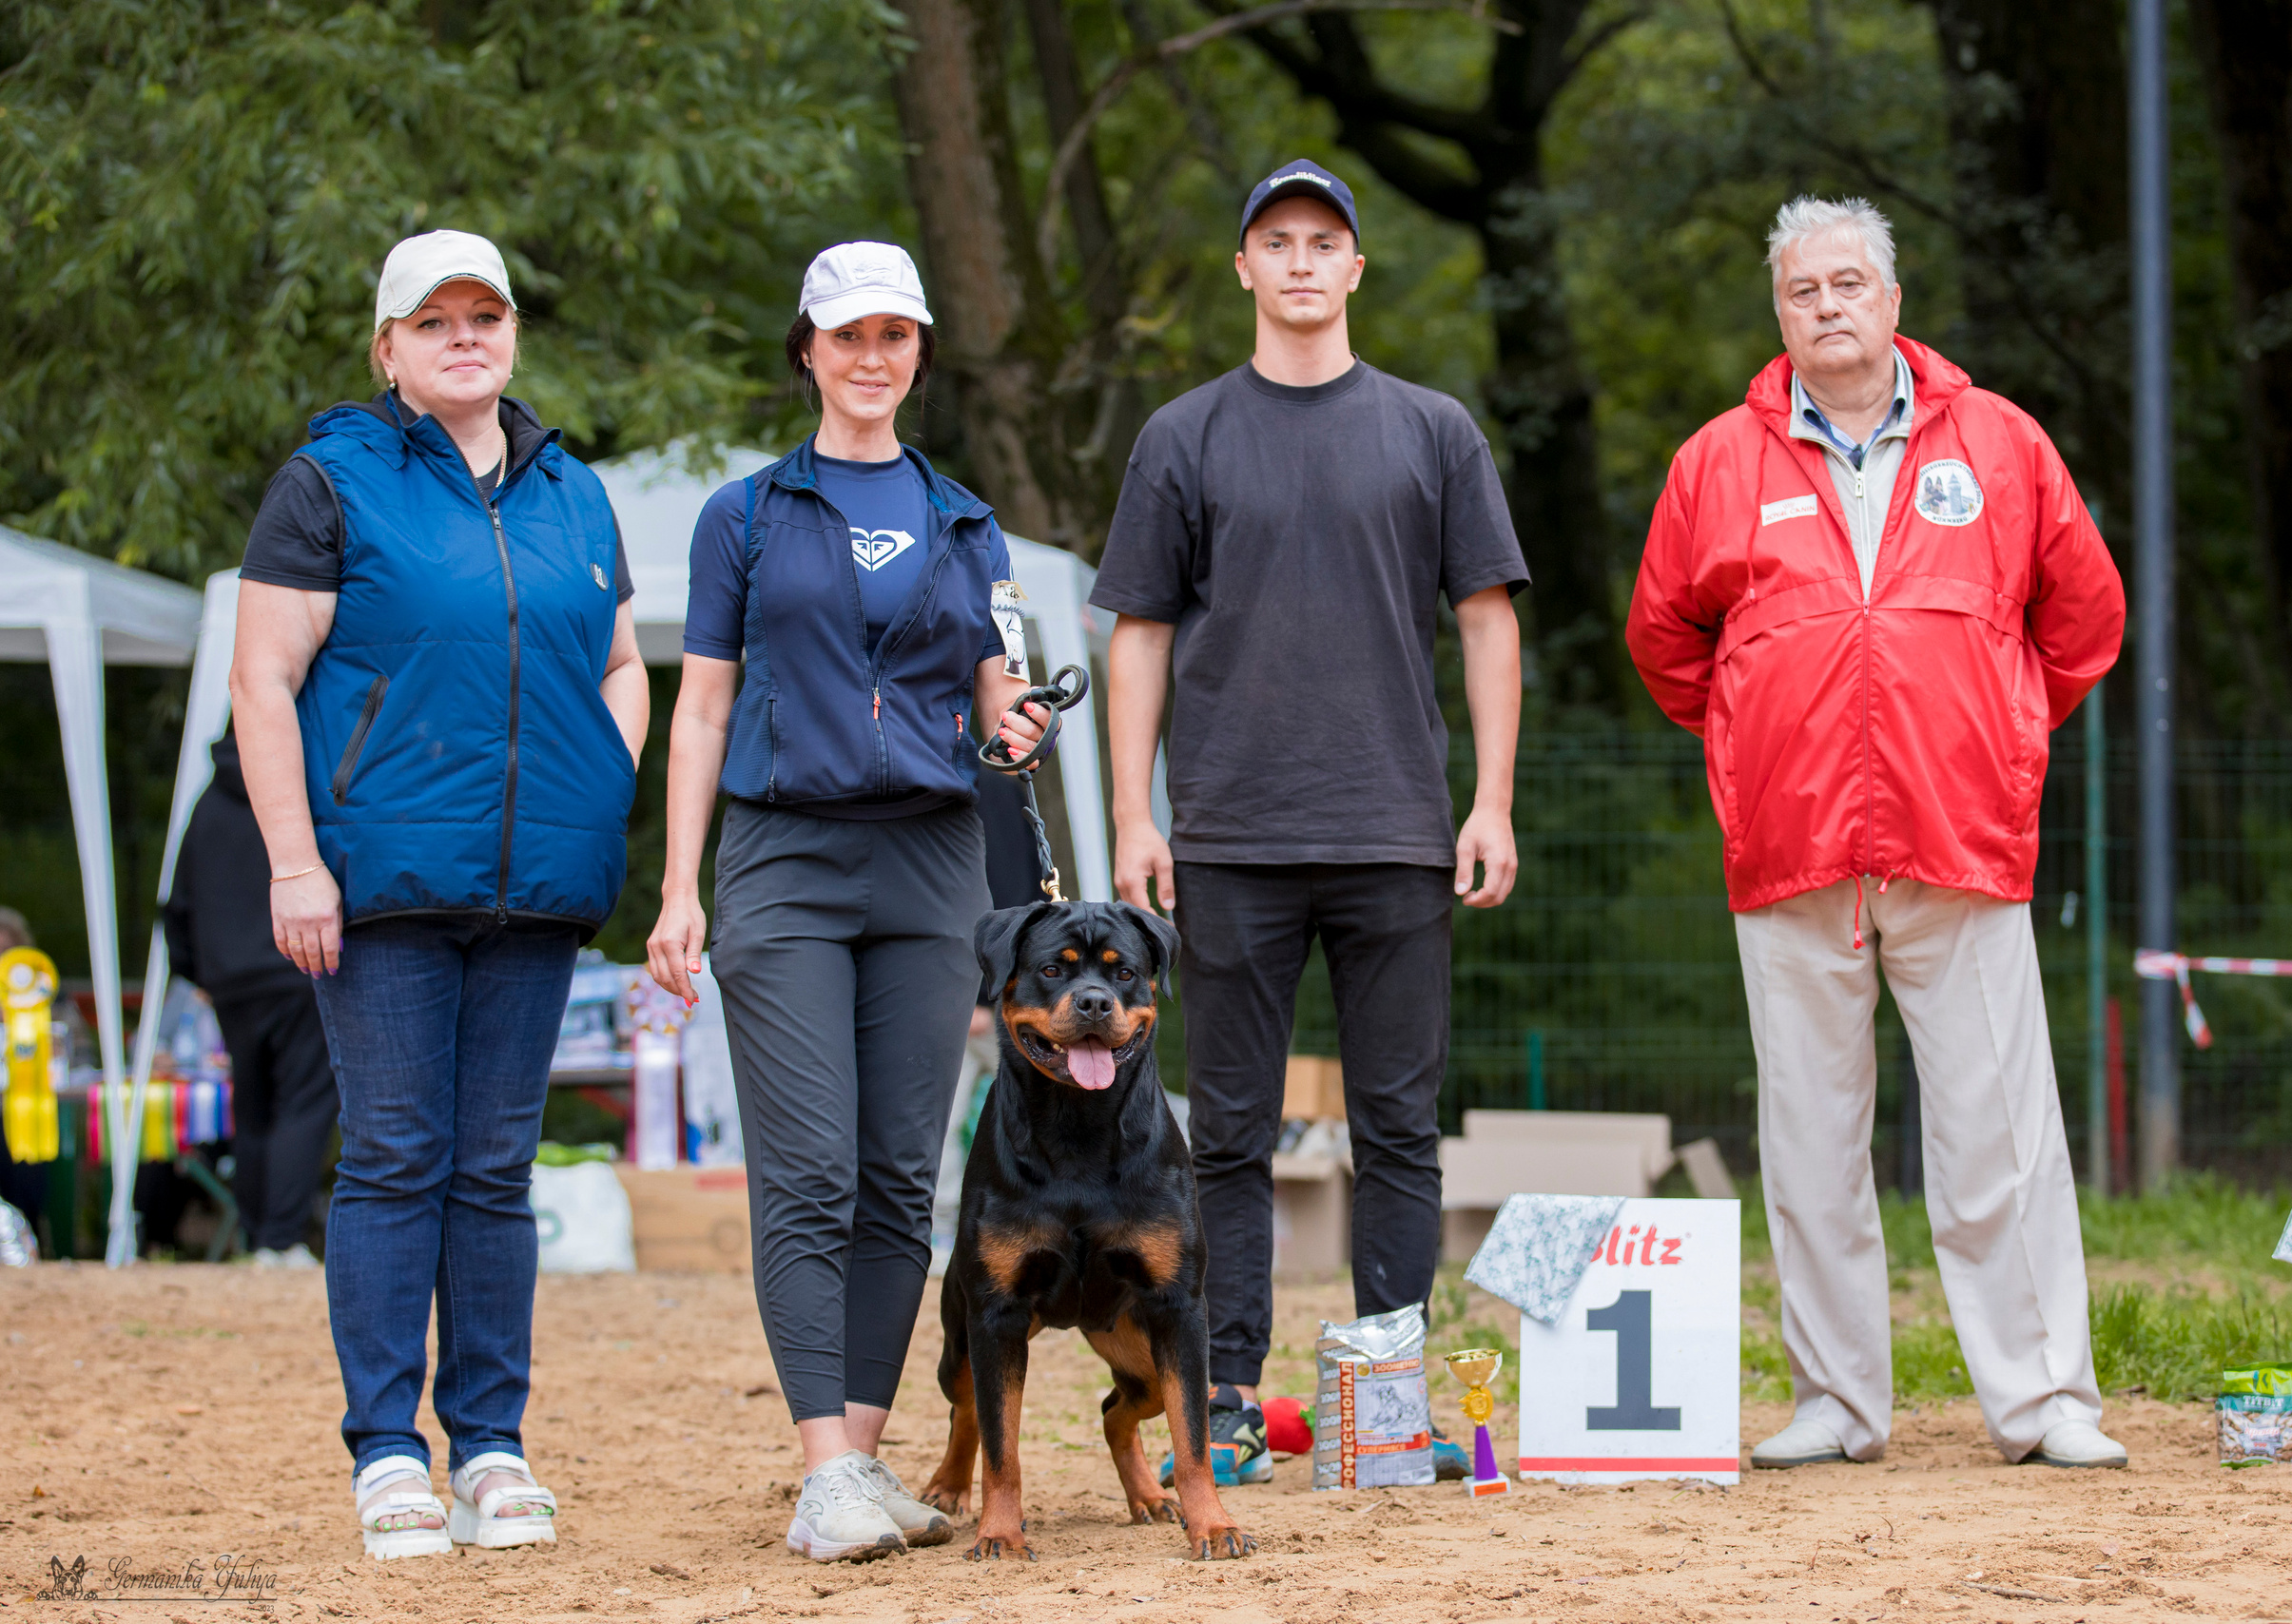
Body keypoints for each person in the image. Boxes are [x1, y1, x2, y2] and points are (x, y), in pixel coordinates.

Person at [1625, 197, 2127, 1470]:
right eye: (1805, 290)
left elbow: (2083, 615)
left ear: (1895, 302)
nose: (1831, 305)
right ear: (1780, 314)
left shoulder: (2003, 443)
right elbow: (1664, 640)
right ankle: (1838, 1407)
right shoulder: (1714, 463)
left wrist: (2002, 730)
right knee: (1809, 1144)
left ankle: (2045, 1403)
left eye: (1852, 283)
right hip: (1789, 852)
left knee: (1999, 1139)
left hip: (1961, 836)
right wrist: (1756, 739)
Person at [1093, 161, 1528, 1482]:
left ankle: (1388, 1390)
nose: (1297, 262)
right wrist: (1134, 813)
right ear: (1244, 268)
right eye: (1274, 241)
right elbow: (1139, 637)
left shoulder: (1434, 428)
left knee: (1400, 1124)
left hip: (1398, 829)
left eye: (1321, 242)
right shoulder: (1184, 435)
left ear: (1355, 266)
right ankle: (1225, 1391)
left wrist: (1491, 799)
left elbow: (1489, 620)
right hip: (1228, 833)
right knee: (1228, 1131)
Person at [230, 229, 648, 1558]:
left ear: (512, 330)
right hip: (382, 885)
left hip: (536, 889)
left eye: (487, 314)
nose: (465, 335)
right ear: (389, 347)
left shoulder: (574, 491)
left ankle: (493, 1446)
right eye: (435, 320)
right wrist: (296, 861)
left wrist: (597, 776)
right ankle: (388, 1452)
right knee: (400, 1159)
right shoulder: (328, 481)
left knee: (494, 1170)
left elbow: (625, 665)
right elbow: (261, 683)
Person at [645, 241, 1049, 1564]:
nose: (871, 357)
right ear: (807, 353)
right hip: (784, 857)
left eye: (894, 335)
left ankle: (865, 1464)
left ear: (920, 351)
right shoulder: (746, 517)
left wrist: (1017, 723)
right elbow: (701, 705)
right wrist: (678, 886)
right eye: (846, 336)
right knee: (809, 1171)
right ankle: (825, 1474)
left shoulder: (967, 521)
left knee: (895, 1179)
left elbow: (994, 695)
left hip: (935, 859)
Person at [163, 728, 340, 1268]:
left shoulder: (207, 805)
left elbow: (177, 900)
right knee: (304, 1105)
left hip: (230, 983)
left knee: (254, 1106)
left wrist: (198, 970)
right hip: (300, 968)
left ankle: (256, 1233)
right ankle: (280, 1240)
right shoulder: (303, 792)